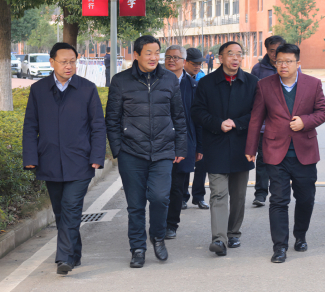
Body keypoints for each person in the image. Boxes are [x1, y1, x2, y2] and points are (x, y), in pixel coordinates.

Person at [23, 43, 106, 275]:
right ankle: (74, 253)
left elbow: (98, 126)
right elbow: (30, 126)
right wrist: (30, 156)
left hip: (80, 161)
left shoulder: (87, 89)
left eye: (72, 61)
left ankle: (64, 258)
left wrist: (97, 156)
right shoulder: (38, 90)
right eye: (64, 62)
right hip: (50, 160)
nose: (69, 66)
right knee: (61, 212)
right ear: (52, 62)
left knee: (71, 207)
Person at [105, 35, 187, 268]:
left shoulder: (169, 79)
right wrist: (118, 150)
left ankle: (158, 237)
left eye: (156, 53)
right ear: (137, 54)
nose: (153, 57)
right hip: (131, 152)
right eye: (148, 53)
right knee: (135, 204)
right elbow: (112, 119)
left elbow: (179, 116)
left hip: (163, 151)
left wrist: (180, 146)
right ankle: (138, 248)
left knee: (161, 198)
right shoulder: (120, 81)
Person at [246, 44, 325, 264]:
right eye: (279, 61)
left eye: (288, 61)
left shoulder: (313, 84)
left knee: (306, 199)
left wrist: (305, 122)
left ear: (298, 63)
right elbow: (256, 118)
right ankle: (279, 246)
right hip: (275, 151)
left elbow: (323, 112)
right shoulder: (265, 85)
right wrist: (251, 149)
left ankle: (300, 236)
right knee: (278, 200)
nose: (283, 65)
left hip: (305, 152)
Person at [191, 42, 258, 257]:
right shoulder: (207, 83)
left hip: (242, 146)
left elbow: (258, 113)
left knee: (238, 195)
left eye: (239, 54)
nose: (236, 58)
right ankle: (219, 239)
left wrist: (238, 123)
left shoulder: (252, 82)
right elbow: (197, 111)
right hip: (216, 144)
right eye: (231, 54)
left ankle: (233, 232)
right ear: (220, 58)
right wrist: (217, 123)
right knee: (218, 193)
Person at [164, 46, 207, 240]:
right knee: (158, 188)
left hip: (183, 142)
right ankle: (158, 221)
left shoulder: (193, 86)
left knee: (176, 187)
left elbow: (198, 119)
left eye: (176, 57)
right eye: (168, 57)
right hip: (158, 143)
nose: (171, 60)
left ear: (183, 60)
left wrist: (199, 146)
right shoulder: (155, 82)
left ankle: (171, 224)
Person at [250, 35, 286, 207]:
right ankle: (260, 193)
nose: (274, 54)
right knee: (263, 159)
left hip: (285, 123)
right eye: (271, 51)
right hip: (265, 124)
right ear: (266, 50)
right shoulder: (258, 69)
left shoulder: (289, 66)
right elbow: (252, 95)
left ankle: (279, 193)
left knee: (283, 160)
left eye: (278, 50)